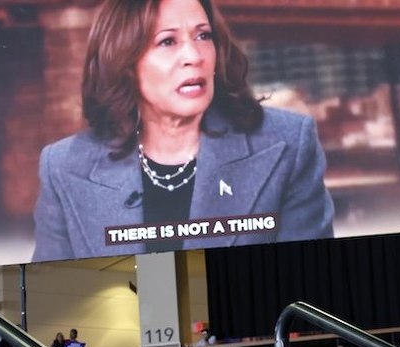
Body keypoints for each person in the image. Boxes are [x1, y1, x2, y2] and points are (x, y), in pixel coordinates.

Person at [31, 0, 334, 262]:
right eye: (168, 41)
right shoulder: (63, 166)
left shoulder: (288, 142)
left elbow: (309, 287)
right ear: (124, 60)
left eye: (204, 36)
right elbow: (50, 302)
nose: (194, 56)